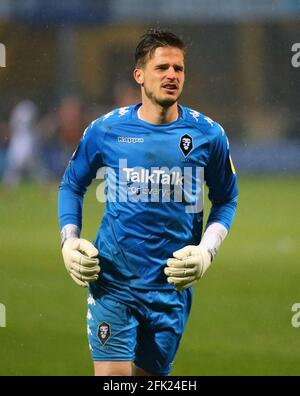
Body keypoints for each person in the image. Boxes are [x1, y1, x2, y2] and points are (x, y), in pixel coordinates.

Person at [58, 28, 238, 376]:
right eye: (162, 68)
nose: (172, 75)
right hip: (113, 281)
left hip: (171, 287)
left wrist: (207, 251)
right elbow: (71, 184)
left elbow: (227, 197)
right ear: (139, 75)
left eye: (179, 68)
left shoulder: (208, 134)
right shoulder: (105, 130)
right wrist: (69, 240)